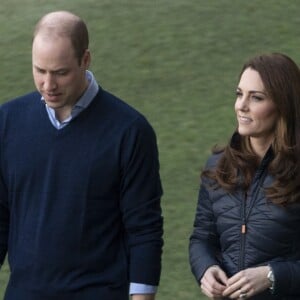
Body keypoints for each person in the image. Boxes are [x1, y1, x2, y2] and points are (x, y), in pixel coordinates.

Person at [0, 11, 163, 300]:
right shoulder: (7, 121)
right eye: (40, 70)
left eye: (60, 73)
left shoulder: (130, 131)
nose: (48, 85)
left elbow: (144, 230)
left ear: (85, 60)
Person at [189, 53, 300, 299]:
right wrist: (205, 269)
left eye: (256, 98)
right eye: (239, 94)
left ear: (283, 105)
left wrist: (272, 276)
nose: (241, 105)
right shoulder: (218, 166)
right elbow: (201, 238)